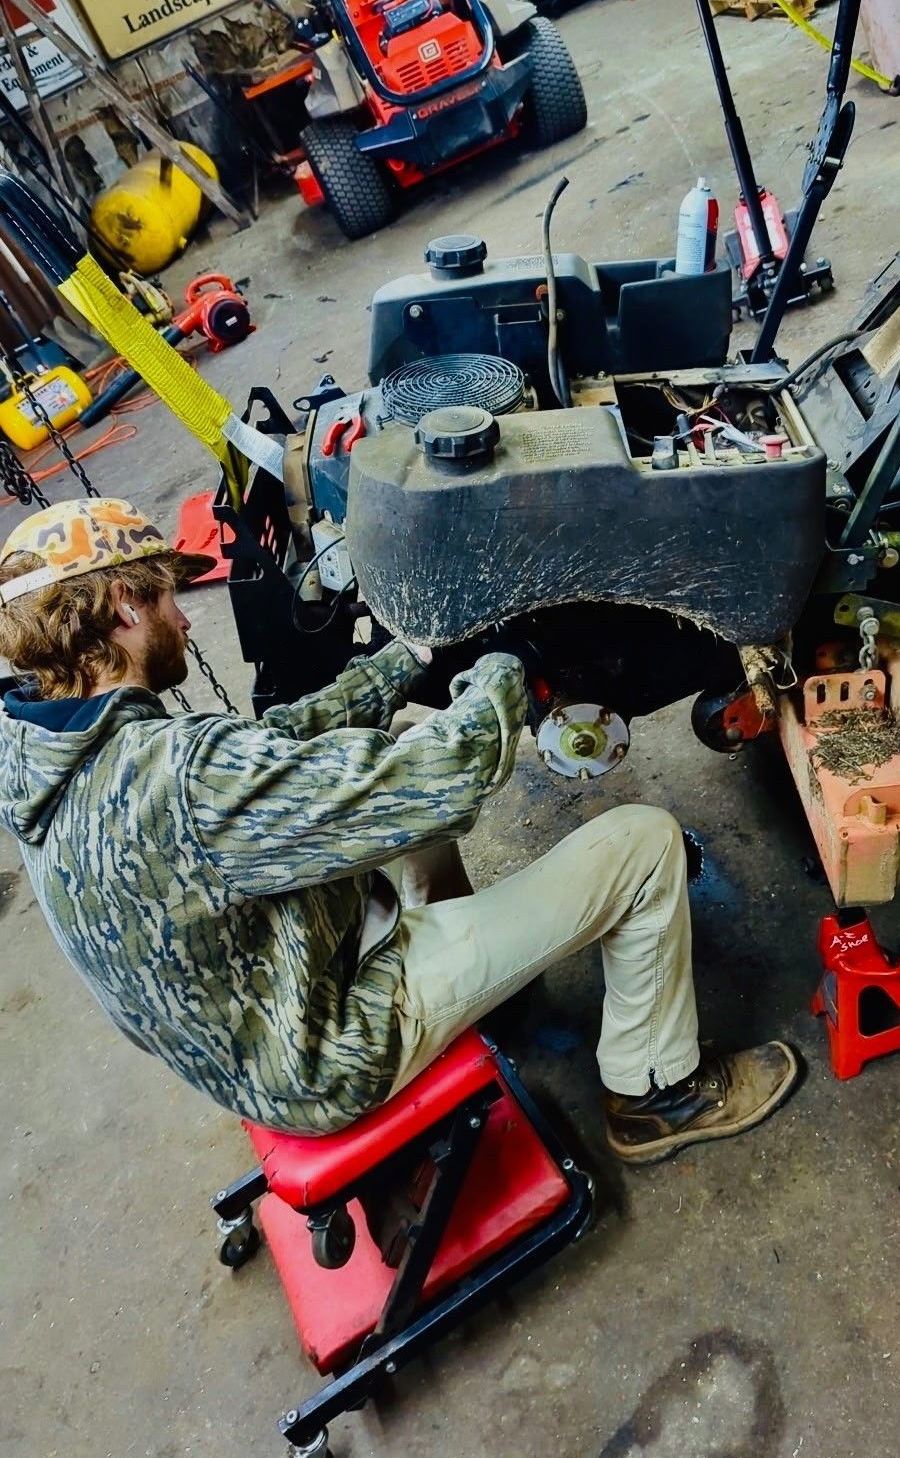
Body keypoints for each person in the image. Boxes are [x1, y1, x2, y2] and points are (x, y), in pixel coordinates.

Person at [0, 497, 798, 1163]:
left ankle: (493, 1001)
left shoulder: (45, 749)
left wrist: (404, 661)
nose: (185, 618)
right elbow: (440, 783)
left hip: (248, 1015)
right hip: (324, 1055)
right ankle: (658, 1093)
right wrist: (505, 671)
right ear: (121, 608)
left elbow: (277, 751)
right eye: (169, 598)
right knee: (642, 843)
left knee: (375, 778)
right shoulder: (174, 773)